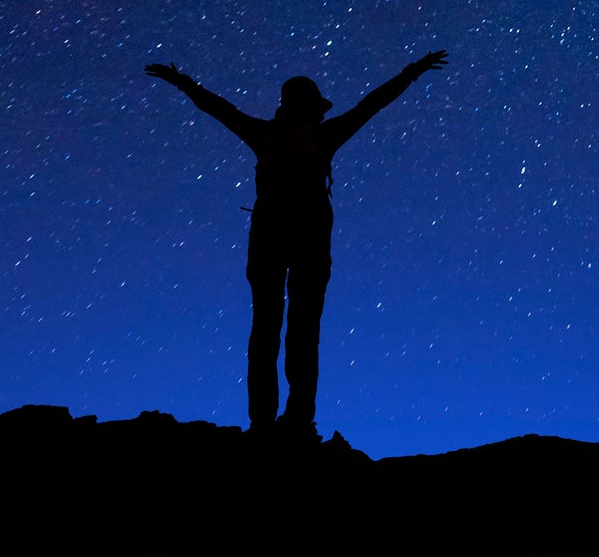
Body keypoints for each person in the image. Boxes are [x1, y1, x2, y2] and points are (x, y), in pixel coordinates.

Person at [146, 50, 448, 440]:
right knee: (297, 333)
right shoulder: (321, 137)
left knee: (270, 332)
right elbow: (370, 104)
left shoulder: (268, 135)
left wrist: (183, 82)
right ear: (311, 109)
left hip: (274, 240)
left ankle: (269, 422)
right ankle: (294, 421)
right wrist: (411, 72)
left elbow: (218, 108)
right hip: (304, 242)